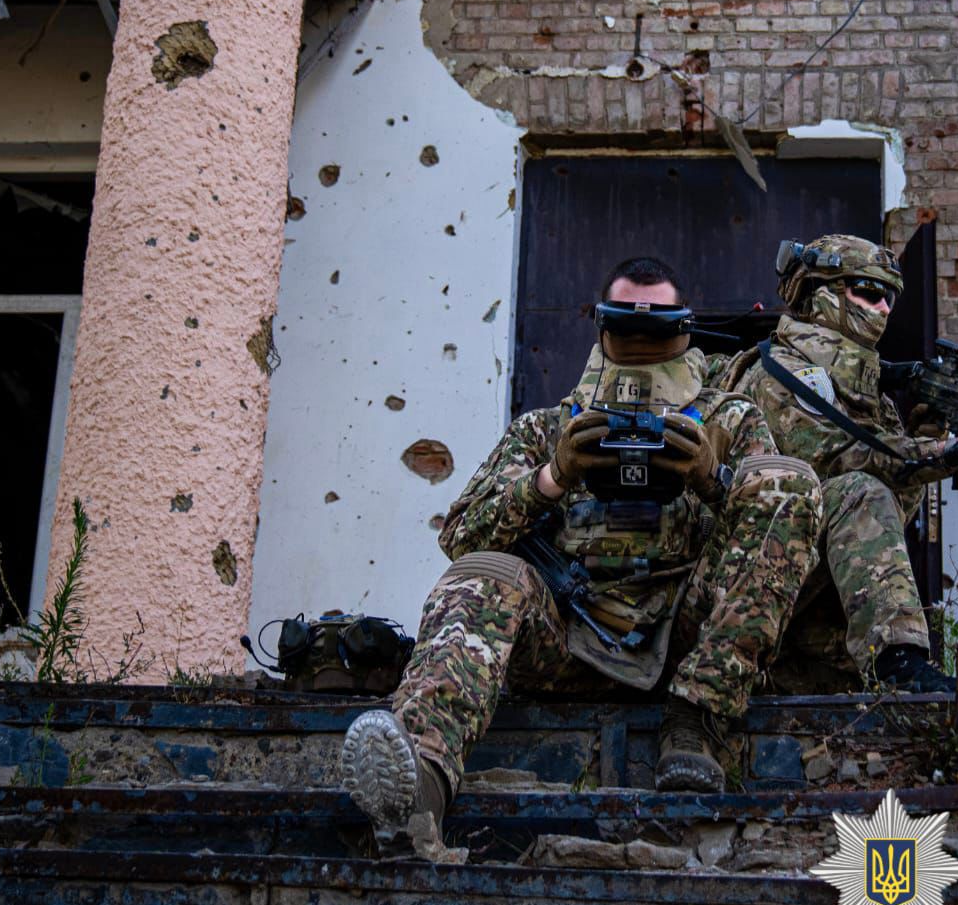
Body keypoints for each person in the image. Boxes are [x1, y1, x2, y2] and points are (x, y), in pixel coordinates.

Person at [342, 256, 823, 838]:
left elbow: (781, 519)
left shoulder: (729, 419)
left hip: (686, 638)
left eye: (659, 325)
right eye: (629, 324)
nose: (643, 338)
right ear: (602, 327)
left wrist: (710, 477)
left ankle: (698, 717)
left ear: (685, 329)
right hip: (567, 634)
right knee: (484, 572)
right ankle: (419, 784)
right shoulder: (548, 428)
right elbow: (461, 536)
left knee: (788, 480)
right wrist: (552, 477)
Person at [721, 235, 958, 695]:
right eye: (866, 292)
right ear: (818, 293)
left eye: (888, 298)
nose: (882, 309)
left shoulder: (867, 394)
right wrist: (954, 452)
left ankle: (881, 668)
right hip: (744, 582)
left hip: (806, 609)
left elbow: (891, 503)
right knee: (858, 491)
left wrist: (932, 438)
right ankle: (899, 664)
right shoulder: (774, 374)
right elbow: (833, 464)